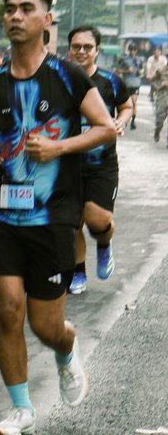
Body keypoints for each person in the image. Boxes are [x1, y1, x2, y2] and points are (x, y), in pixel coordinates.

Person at [0, 0, 117, 435]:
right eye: (10, 9)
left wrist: (59, 147)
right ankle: (21, 409)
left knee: (46, 326)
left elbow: (105, 127)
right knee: (8, 309)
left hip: (52, 217)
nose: (16, 16)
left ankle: (66, 350)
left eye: (26, 8)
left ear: (47, 19)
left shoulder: (68, 76)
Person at [66, 25, 132, 294]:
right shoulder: (59, 79)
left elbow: (126, 106)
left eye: (87, 47)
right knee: (71, 223)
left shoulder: (110, 81)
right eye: (76, 47)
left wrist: (120, 121)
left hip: (101, 165)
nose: (81, 51)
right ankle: (77, 271)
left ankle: (104, 244)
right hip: (66, 163)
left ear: (97, 50)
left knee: (97, 221)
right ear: (69, 50)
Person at [146, 46, 168, 143]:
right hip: (162, 97)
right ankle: (157, 131)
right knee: (159, 120)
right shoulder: (161, 70)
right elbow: (153, 81)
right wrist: (161, 85)